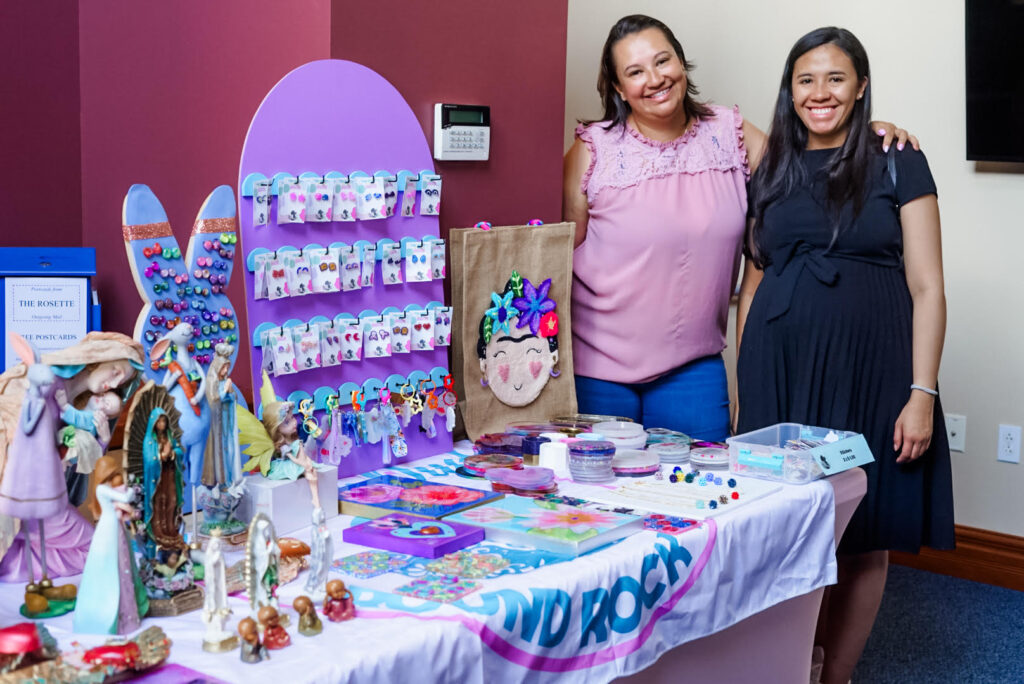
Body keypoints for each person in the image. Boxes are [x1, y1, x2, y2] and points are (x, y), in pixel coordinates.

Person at [563, 14, 912, 439]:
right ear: (618, 87)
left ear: (681, 62)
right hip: (595, 371)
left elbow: (808, 168)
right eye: (635, 71)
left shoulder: (729, 133)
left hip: (693, 370)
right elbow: (562, 261)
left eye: (662, 61)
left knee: (705, 499)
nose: (654, 79)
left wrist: (870, 131)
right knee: (593, 500)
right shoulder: (591, 150)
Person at [735, 27, 953, 683]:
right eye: (806, 79)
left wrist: (923, 392)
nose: (820, 92)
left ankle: (838, 675)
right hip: (781, 368)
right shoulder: (769, 167)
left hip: (874, 366)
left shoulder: (898, 160)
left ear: (860, 87)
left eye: (835, 78)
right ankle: (793, 665)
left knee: (863, 530)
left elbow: (929, 285)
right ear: (789, 89)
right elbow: (752, 280)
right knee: (784, 530)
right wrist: (743, 382)